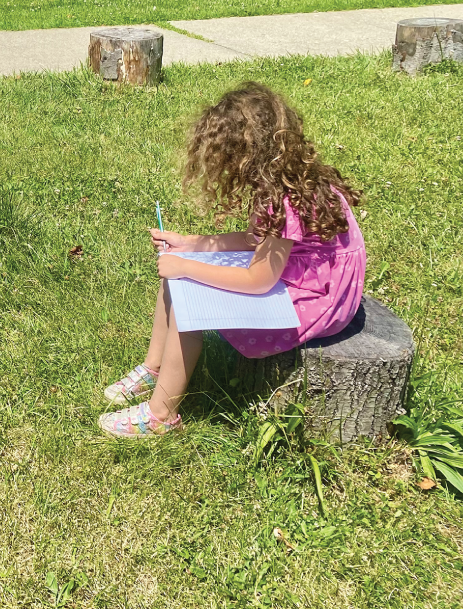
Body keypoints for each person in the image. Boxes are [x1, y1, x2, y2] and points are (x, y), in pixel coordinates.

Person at [100, 82, 367, 439]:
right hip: (314, 283)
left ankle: (161, 415)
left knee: (188, 299)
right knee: (178, 274)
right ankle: (156, 366)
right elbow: (259, 239)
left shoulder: (282, 199)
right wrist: (189, 244)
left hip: (316, 302)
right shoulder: (293, 178)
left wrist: (185, 266)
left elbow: (259, 279)